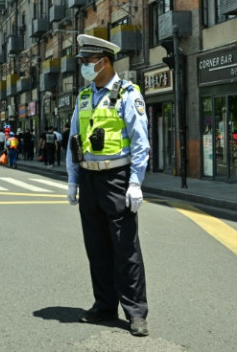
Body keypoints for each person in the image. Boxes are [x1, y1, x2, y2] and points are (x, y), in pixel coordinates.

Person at [65, 34, 151, 337]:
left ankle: (136, 313)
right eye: (82, 63)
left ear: (104, 62)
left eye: (87, 62)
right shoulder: (84, 97)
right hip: (89, 179)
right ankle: (104, 305)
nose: (83, 67)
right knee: (97, 248)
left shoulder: (128, 94)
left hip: (117, 178)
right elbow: (73, 140)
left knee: (125, 248)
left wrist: (135, 183)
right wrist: (73, 179)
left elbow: (141, 144)